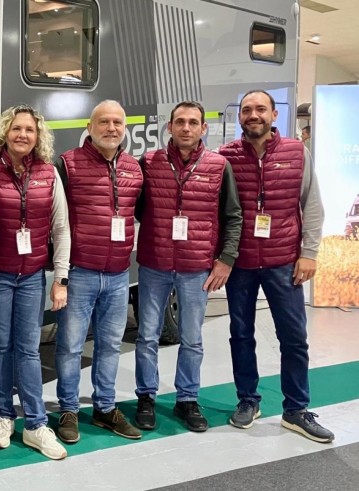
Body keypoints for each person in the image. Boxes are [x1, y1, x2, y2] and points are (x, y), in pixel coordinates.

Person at [219, 90, 333, 443]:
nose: (254, 115)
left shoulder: (297, 153)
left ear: (273, 115)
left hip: (285, 262)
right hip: (240, 264)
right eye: (247, 110)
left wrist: (309, 252)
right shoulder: (225, 158)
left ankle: (296, 409)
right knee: (241, 334)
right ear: (240, 117)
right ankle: (248, 400)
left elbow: (312, 206)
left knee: (294, 338)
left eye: (260, 109)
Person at [132, 101, 243, 432]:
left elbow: (232, 216)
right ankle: (146, 397)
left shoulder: (219, 166)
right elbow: (139, 210)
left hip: (197, 267)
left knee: (192, 338)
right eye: (180, 122)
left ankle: (187, 400)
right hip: (154, 264)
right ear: (169, 126)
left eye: (193, 122)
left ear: (203, 128)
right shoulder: (149, 162)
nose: (186, 128)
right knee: (147, 335)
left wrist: (226, 259)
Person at [0, 105, 70, 460]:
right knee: (1, 346)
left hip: (32, 276)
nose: (23, 135)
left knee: (29, 348)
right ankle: (4, 416)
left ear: (38, 135)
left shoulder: (48, 172)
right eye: (16, 129)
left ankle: (35, 424)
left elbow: (61, 228)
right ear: (6, 132)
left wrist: (60, 277)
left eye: (29, 130)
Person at [54, 100, 144, 443]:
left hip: (119, 274)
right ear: (89, 128)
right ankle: (68, 410)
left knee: (109, 344)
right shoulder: (68, 165)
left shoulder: (135, 168)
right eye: (103, 122)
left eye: (117, 122)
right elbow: (54, 220)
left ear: (125, 128)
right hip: (80, 273)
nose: (111, 128)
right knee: (70, 346)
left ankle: (105, 408)